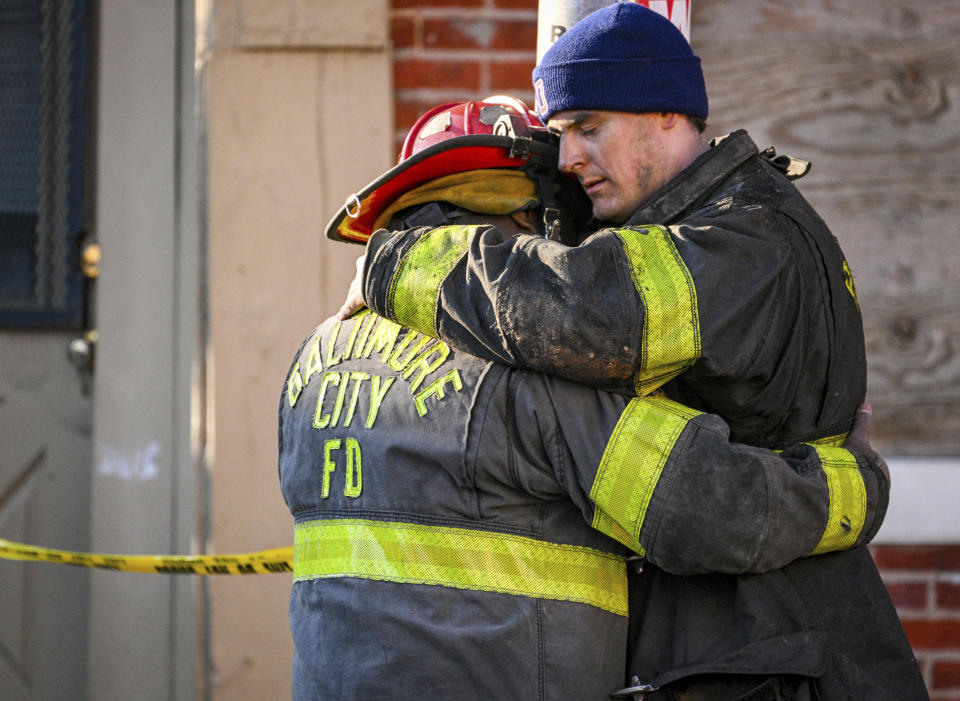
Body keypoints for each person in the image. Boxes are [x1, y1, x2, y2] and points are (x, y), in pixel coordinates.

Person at [337, 7, 927, 700]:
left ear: (668, 113)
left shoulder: (745, 241)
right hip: (752, 652)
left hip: (779, 661)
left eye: (589, 127)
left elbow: (585, 312)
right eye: (560, 134)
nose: (569, 157)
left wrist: (400, 264)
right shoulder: (703, 225)